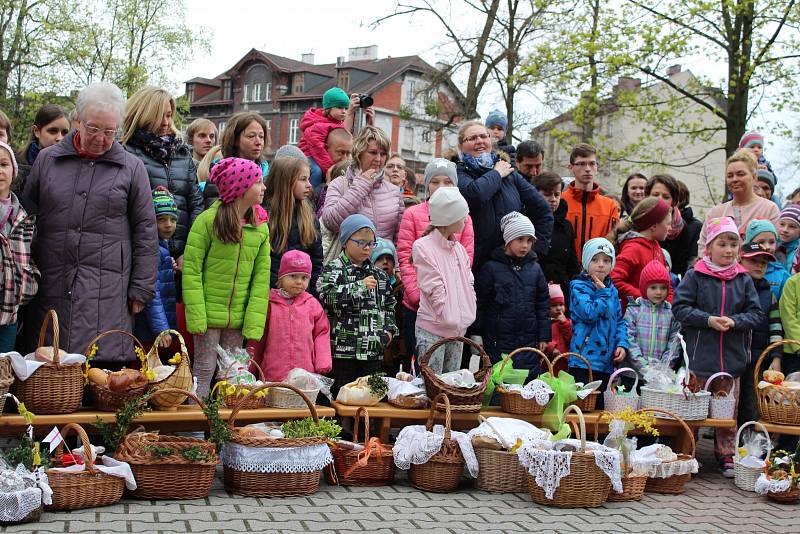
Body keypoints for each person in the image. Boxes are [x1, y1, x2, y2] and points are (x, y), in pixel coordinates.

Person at [22, 82, 158, 363]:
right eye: (93, 129)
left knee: (101, 375)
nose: (100, 138)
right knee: (50, 369)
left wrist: (141, 288)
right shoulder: (47, 161)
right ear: (77, 121)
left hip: (110, 291)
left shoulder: (132, 168)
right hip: (52, 281)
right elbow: (26, 219)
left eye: (109, 132)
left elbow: (146, 231)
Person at [672, 216, 764, 477]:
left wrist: (735, 321)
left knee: (726, 413)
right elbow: (680, 308)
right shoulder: (695, 275)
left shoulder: (744, 279)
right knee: (694, 410)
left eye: (733, 245)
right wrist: (708, 320)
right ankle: (687, 452)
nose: (728, 250)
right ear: (709, 247)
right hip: (700, 359)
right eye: (722, 244)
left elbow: (756, 314)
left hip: (731, 360)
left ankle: (725, 454)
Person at [183, 157, 270, 398]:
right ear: (240, 188)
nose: (263, 188)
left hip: (238, 318)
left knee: (232, 373)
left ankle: (228, 432)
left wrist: (253, 320)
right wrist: (197, 315)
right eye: (258, 182)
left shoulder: (260, 227)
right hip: (208, 316)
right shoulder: (207, 222)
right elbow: (192, 271)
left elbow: (261, 279)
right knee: (204, 368)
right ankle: (193, 430)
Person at [397, 158, 474, 370]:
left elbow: (466, 261)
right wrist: (417, 295)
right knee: (426, 370)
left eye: (447, 182)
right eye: (435, 182)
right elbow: (406, 256)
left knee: (452, 375)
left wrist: (462, 306)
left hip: (454, 317)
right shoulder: (413, 215)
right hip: (424, 308)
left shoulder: (462, 220)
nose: (441, 187)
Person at [455, 120, 552, 274]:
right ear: (461, 146)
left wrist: (534, 251)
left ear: (490, 140)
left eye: (483, 136)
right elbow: (474, 195)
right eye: (472, 138)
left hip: (510, 265)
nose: (479, 141)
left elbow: (543, 210)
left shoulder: (510, 173)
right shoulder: (457, 173)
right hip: (473, 264)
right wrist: (497, 173)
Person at [318, 214, 398, 392]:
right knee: (340, 400)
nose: (367, 248)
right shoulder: (334, 269)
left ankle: (366, 422)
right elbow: (327, 298)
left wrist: (389, 331)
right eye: (361, 243)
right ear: (346, 242)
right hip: (343, 351)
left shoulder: (380, 275)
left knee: (370, 400)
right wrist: (359, 287)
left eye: (371, 243)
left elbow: (389, 305)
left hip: (372, 351)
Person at [122, 86, 202, 259]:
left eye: (168, 115)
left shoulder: (181, 152)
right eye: (159, 116)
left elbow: (196, 203)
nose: (166, 122)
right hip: (144, 256)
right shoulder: (125, 154)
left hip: (183, 257)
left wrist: (188, 251)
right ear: (143, 115)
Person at [476, 212, 550, 379]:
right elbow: (481, 302)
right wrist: (477, 332)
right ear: (508, 240)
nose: (525, 245)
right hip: (498, 339)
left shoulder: (535, 269)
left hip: (528, 339)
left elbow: (542, 303)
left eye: (529, 241)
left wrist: (544, 335)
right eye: (520, 239)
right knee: (499, 380)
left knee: (526, 384)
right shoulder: (491, 268)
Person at [413, 188, 476, 374]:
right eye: (462, 215)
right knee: (433, 387)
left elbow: (469, 283)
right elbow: (432, 286)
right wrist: (448, 315)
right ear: (448, 217)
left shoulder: (459, 250)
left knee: (451, 385)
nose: (466, 219)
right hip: (432, 330)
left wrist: (463, 316)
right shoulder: (423, 247)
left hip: (457, 331)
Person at [247, 250, 331, 382]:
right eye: (293, 276)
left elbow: (322, 332)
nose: (299, 282)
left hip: (304, 374)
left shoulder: (312, 304)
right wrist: (250, 366)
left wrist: (323, 362)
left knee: (301, 401)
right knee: (271, 402)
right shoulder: (269, 303)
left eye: (304, 278)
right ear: (281, 277)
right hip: (273, 372)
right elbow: (258, 338)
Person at [321, 126, 404, 243]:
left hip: (384, 260)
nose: (378, 159)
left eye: (383, 154)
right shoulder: (339, 184)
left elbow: (400, 239)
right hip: (350, 260)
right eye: (373, 153)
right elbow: (330, 222)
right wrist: (360, 186)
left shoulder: (394, 191)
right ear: (359, 153)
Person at [569, 238, 628, 401]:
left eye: (606, 260)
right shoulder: (578, 286)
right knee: (582, 406)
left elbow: (620, 321)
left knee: (601, 408)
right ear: (586, 261)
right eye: (595, 259)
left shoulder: (612, 291)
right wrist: (603, 293)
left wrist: (622, 343)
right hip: (583, 361)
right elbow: (589, 313)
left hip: (606, 362)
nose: (601, 264)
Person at [737, 242, 783, 426]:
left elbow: (776, 327)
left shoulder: (769, 295)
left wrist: (776, 357)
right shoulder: (734, 287)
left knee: (751, 404)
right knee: (730, 403)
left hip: (758, 359)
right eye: (754, 261)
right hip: (733, 355)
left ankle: (747, 447)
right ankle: (725, 449)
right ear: (740, 260)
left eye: (763, 263)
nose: (759, 265)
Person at [697, 150, 779, 251]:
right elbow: (703, 249)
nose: (734, 179)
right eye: (730, 176)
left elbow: (774, 247)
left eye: (741, 174)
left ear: (754, 177)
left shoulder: (769, 209)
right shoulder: (715, 213)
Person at [262, 157, 323, 293]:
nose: (309, 185)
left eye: (309, 179)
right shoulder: (265, 216)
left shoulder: (308, 216)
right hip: (271, 295)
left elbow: (316, 261)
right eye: (303, 179)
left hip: (302, 296)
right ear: (286, 181)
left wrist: (311, 296)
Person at [0, 141, 38, 352]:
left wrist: (31, 278)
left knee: (4, 369)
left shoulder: (24, 214)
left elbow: (30, 252)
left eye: (4, 164)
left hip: (10, 310)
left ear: (14, 171)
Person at [609, 197, 673, 313]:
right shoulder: (633, 248)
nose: (671, 228)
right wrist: (644, 296)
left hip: (654, 318)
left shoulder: (657, 248)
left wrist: (667, 305)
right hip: (633, 319)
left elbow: (667, 283)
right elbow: (614, 279)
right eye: (668, 224)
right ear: (653, 226)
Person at [134, 187, 178, 348]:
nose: (168, 225)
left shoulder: (162, 247)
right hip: (149, 329)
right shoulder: (153, 249)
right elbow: (153, 293)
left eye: (172, 220)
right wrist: (162, 329)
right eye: (161, 219)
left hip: (153, 326)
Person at [623, 261, 681, 381]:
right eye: (653, 287)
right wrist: (644, 366)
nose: (659, 292)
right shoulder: (634, 309)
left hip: (660, 376)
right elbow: (629, 339)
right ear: (644, 287)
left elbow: (674, 342)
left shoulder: (670, 312)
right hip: (632, 375)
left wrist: (663, 367)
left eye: (663, 287)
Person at [197, 112, 270, 208]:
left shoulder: (267, 175)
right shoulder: (221, 173)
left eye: (261, 136)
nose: (258, 142)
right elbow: (216, 212)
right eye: (251, 136)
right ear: (235, 140)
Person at [562, 143, 620, 264]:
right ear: (570, 168)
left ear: (597, 167)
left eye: (592, 163)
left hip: (598, 272)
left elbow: (612, 245)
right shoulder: (560, 202)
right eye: (581, 164)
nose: (587, 168)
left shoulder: (610, 206)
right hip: (564, 271)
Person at [533, 171, 580, 306]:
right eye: (547, 195)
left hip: (562, 293)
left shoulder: (566, 226)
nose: (553, 199)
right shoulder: (528, 223)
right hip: (537, 289)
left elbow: (572, 264)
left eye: (557, 194)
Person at [298, 87, 356, 188]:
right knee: (317, 171)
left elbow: (345, 135)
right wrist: (330, 168)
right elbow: (317, 148)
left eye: (346, 108)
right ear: (329, 108)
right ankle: (310, 195)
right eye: (339, 107)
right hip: (308, 155)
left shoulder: (336, 123)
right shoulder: (318, 125)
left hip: (321, 155)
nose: (343, 111)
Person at [649, 176, 700, 277]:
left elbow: (680, 266)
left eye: (666, 197)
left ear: (674, 201)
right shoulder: (639, 221)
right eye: (655, 195)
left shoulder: (682, 227)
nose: (660, 200)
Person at [15, 104, 70, 191]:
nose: (60, 138)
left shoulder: (72, 167)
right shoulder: (15, 164)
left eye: (65, 133)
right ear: (36, 131)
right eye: (53, 131)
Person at [745, 219, 789, 299]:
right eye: (761, 242)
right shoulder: (740, 270)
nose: (768, 247)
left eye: (772, 242)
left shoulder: (782, 274)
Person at [546, 284, 572, 357]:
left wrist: (565, 324)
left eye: (561, 304)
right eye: (553, 305)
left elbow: (572, 340)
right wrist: (551, 349)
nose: (558, 308)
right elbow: (542, 341)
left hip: (566, 361)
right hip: (549, 362)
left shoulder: (568, 322)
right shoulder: (545, 324)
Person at [776, 204, 800, 274]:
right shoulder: (771, 246)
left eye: (792, 226)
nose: (785, 230)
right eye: (782, 224)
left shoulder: (798, 253)